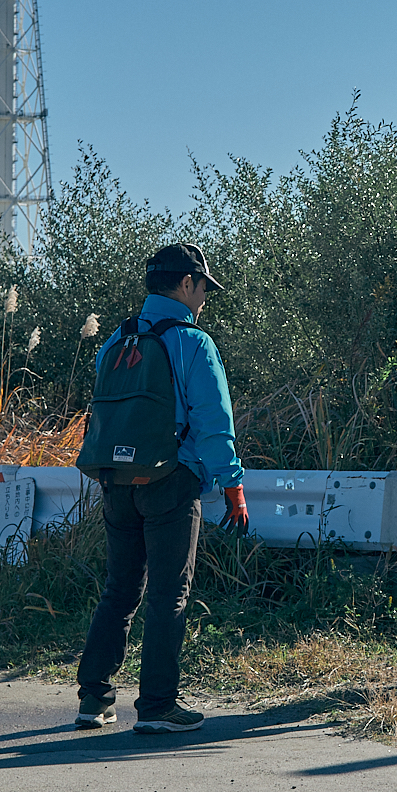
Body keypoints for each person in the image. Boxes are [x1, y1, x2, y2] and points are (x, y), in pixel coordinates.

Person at [72, 243, 249, 736]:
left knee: (119, 589)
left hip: (116, 482)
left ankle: (94, 699)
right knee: (169, 593)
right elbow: (214, 423)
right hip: (171, 480)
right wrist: (233, 485)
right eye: (203, 289)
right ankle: (156, 707)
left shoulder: (116, 338)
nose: (204, 300)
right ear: (187, 284)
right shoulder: (193, 342)